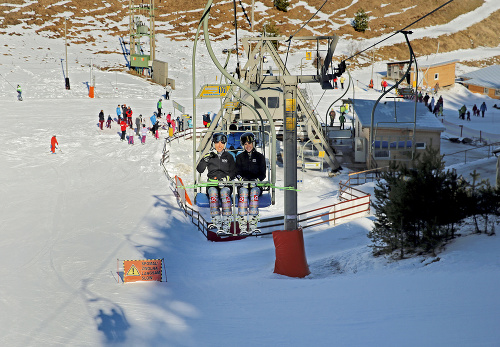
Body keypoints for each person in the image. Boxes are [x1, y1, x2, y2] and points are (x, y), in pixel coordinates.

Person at [196, 132, 235, 235]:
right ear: (213, 143)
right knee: (213, 192)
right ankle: (217, 221)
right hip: (212, 184)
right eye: (217, 143)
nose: (219, 145)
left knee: (224, 193)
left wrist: (227, 178)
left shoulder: (229, 156)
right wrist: (204, 160)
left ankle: (226, 223)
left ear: (225, 144)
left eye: (222, 143)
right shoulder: (210, 155)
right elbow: (200, 169)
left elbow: (234, 171)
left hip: (225, 184)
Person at [235, 132, 266, 235]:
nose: (248, 146)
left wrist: (257, 180)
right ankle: (243, 224)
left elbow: (263, 174)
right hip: (243, 185)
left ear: (253, 143)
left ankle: (253, 224)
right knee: (243, 192)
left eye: (250, 143)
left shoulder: (259, 157)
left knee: (253, 192)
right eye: (245, 144)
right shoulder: (240, 157)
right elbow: (237, 172)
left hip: (255, 186)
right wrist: (241, 180)